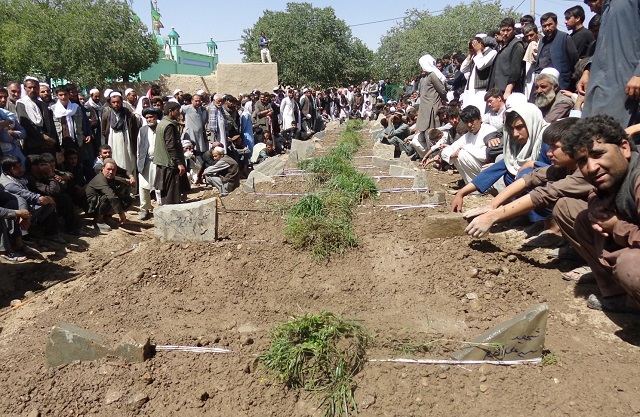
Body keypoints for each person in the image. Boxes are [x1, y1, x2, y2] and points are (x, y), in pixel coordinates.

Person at [558, 114, 640, 314]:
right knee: (583, 219)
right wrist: (596, 205)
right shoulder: (617, 173)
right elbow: (595, 191)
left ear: (624, 148)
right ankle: (622, 297)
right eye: (582, 161)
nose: (592, 167)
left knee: (630, 266)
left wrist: (617, 227)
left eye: (598, 154)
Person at [464, 118, 589, 245]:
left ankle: (594, 258)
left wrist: (491, 217)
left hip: (604, 227)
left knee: (565, 205)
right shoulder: (565, 167)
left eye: (554, 147)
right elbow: (530, 178)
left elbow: (543, 194)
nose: (549, 153)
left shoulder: (586, 172)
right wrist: (491, 205)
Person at [451, 103, 548, 211]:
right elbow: (495, 170)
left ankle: (545, 220)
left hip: (556, 195)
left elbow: (560, 172)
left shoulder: (548, 141)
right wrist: (461, 193)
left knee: (525, 173)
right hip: (539, 194)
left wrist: (533, 164)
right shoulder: (519, 145)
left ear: (531, 123)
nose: (515, 134)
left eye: (519, 127)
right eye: (512, 129)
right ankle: (525, 214)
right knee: (509, 174)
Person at [577, 0, 640, 128]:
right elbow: (604, 45)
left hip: (625, 85)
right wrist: (588, 70)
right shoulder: (607, 7)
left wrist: (638, 74)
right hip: (599, 84)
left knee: (618, 137)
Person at [0, 155, 62, 242]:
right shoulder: (9, 184)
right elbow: (28, 196)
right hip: (13, 211)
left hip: (24, 206)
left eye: (20, 166)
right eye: (15, 168)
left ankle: (49, 234)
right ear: (8, 170)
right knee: (45, 203)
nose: (20, 169)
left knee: (50, 204)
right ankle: (23, 237)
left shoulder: (18, 178)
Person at [441, 105, 497, 185]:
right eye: (466, 122)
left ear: (480, 119)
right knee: (457, 156)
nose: (470, 125)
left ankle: (478, 186)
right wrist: (453, 154)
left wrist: (465, 148)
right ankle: (471, 185)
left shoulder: (489, 130)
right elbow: (447, 150)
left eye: (472, 121)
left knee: (462, 154)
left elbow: (485, 156)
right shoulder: (467, 136)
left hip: (490, 169)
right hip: (478, 168)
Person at [532, 12, 579, 91]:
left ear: (556, 24)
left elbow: (575, 61)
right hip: (542, 85)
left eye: (550, 25)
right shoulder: (542, 41)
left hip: (560, 85)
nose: (547, 28)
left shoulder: (564, 38)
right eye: (544, 26)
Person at [85, 158, 133, 232]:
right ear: (103, 168)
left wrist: (127, 180)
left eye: (113, 170)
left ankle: (107, 216)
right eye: (108, 169)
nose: (111, 172)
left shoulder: (110, 177)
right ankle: (98, 220)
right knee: (109, 197)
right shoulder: (100, 179)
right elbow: (111, 196)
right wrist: (121, 213)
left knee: (127, 199)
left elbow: (117, 178)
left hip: (100, 203)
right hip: (91, 207)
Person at [16, 77, 59, 157]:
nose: (32, 90)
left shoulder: (42, 104)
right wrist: (44, 137)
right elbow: (26, 124)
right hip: (33, 145)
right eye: (30, 87)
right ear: (25, 89)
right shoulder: (22, 104)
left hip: (49, 145)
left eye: (35, 87)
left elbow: (51, 125)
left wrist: (54, 143)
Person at [153, 102, 187, 205]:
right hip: (169, 164)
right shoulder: (169, 126)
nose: (179, 114)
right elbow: (171, 146)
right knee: (171, 194)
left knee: (167, 193)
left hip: (163, 163)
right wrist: (179, 163)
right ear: (170, 111)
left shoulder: (162, 123)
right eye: (177, 111)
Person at [101, 92, 138, 174]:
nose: (116, 104)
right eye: (113, 102)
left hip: (127, 144)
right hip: (113, 143)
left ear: (122, 102)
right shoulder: (107, 115)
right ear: (110, 103)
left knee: (129, 164)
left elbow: (135, 131)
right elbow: (104, 131)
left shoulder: (129, 115)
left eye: (118, 102)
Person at [487, 18, 525, 99]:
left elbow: (516, 71)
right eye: (503, 30)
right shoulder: (501, 45)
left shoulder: (517, 45)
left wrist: (508, 91)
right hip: (497, 90)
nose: (505, 33)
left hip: (507, 92)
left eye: (508, 30)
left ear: (514, 30)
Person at [136, 108, 161, 220]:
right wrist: (139, 161)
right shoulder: (142, 130)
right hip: (145, 162)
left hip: (159, 162)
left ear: (156, 117)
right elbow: (139, 146)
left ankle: (161, 209)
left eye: (151, 117)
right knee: (143, 186)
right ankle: (145, 209)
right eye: (147, 118)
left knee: (159, 186)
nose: (149, 119)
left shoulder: (161, 129)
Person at [460, 35, 498, 111]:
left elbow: (481, 65)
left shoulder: (492, 52)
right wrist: (470, 54)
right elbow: (463, 69)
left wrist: (478, 51)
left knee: (480, 111)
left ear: (481, 44)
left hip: (482, 90)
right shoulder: (475, 55)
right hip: (471, 90)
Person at [415, 54, 448, 132]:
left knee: (432, 128)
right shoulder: (429, 76)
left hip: (432, 105)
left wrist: (444, 100)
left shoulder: (432, 75)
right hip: (428, 105)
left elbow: (441, 90)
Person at [181, 94, 208, 162]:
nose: (198, 103)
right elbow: (178, 111)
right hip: (191, 134)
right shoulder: (187, 108)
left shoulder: (200, 109)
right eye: (196, 101)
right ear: (192, 101)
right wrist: (180, 121)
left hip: (199, 135)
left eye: (199, 101)